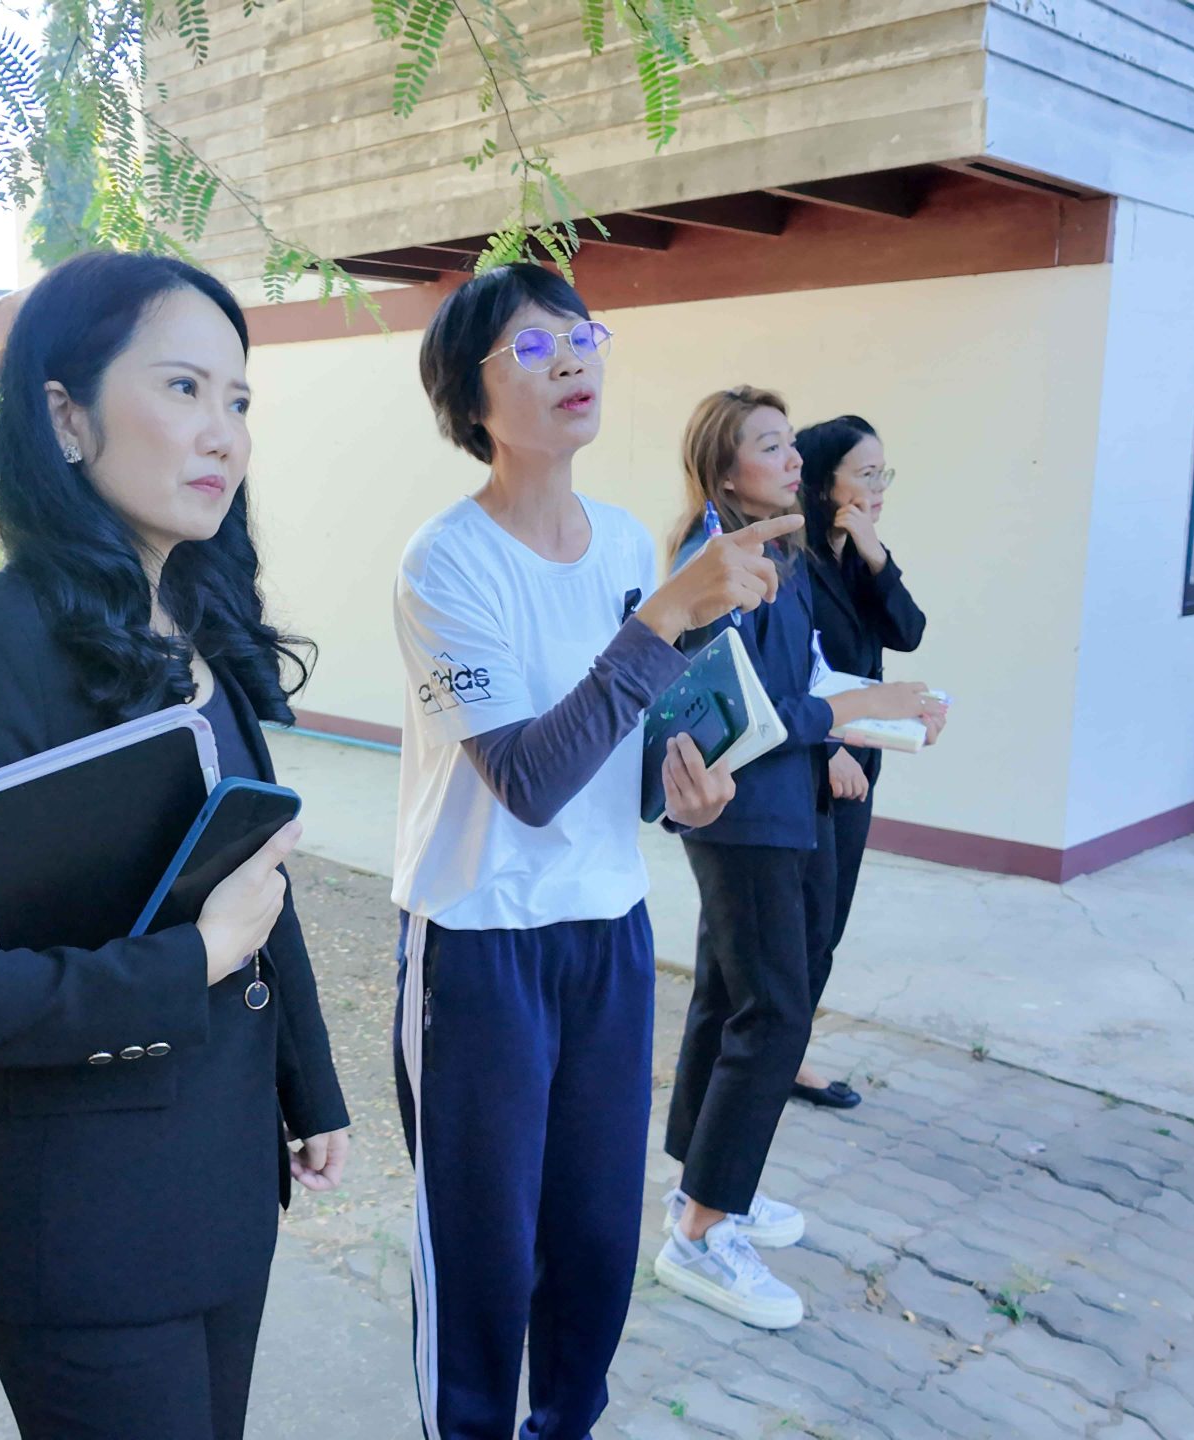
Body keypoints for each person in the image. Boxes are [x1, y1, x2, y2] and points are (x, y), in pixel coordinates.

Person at [0, 251, 351, 1440]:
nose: (224, 433)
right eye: (184, 387)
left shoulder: (201, 625)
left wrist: (311, 1089)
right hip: (81, 1230)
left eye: (238, 400)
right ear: (65, 415)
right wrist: (191, 961)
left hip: (223, 1196)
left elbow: (253, 879)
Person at [392, 264, 793, 1440]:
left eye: (581, 337)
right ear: (469, 399)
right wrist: (663, 616)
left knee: (594, 1241)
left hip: (608, 930)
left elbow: (629, 745)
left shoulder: (622, 542)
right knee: (482, 1255)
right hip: (477, 944)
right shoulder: (445, 563)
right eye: (531, 347)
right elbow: (527, 780)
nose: (572, 358)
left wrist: (687, 792)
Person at [654, 388, 939, 1330]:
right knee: (775, 1011)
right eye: (771, 446)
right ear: (725, 470)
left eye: (791, 445)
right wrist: (860, 709)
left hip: (787, 805)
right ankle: (701, 1233)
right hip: (741, 814)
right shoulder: (712, 565)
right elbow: (748, 711)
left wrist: (888, 712)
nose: (793, 461)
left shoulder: (783, 555)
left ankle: (702, 1186)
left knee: (734, 999)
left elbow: (809, 677)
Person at [792, 414, 936, 1110]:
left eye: (885, 475)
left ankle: (786, 1052)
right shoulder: (792, 561)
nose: (879, 489)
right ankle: (769, 1056)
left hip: (858, 766)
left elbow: (907, 632)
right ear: (824, 484)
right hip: (808, 765)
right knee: (799, 924)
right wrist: (826, 750)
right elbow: (782, 670)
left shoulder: (854, 555)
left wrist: (877, 556)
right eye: (867, 475)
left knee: (827, 924)